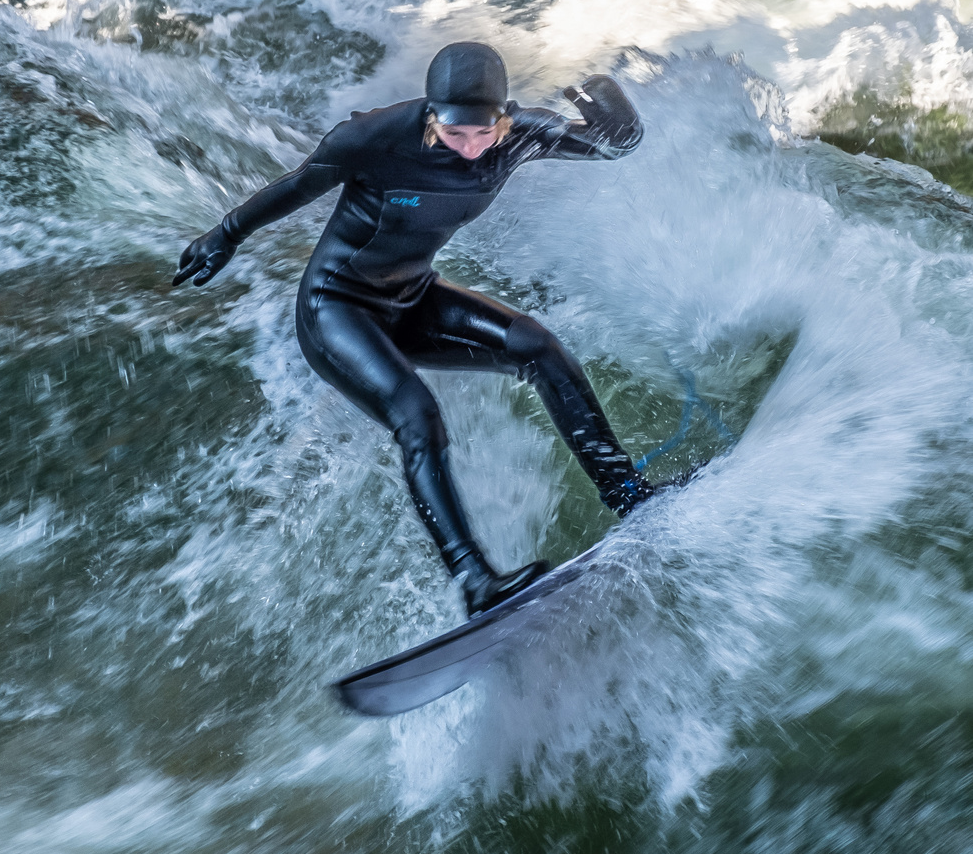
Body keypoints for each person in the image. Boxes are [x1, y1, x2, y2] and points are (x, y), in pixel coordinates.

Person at [173, 42, 655, 618]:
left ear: (504, 116)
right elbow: (295, 186)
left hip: (414, 298)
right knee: (416, 414)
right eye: (456, 135)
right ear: (432, 116)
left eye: (486, 134)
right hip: (337, 310)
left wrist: (616, 114)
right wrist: (225, 234)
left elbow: (610, 146)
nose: (473, 150)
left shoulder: (520, 135)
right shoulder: (371, 139)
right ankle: (475, 580)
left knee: (538, 347)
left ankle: (627, 496)